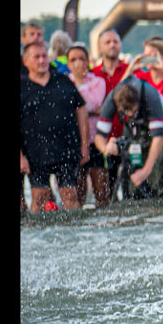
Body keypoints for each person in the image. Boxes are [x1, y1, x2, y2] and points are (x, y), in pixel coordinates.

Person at [20, 41, 88, 212]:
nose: (42, 60)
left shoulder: (63, 81)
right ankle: (39, 236)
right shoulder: (23, 88)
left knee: (69, 194)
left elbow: (81, 110)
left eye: (44, 56)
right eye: (37, 57)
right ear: (26, 61)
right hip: (35, 152)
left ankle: (75, 234)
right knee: (40, 195)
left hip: (66, 149)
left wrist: (85, 145)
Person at [94, 76, 163, 199]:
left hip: (162, 128)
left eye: (133, 111)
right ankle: (134, 199)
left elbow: (158, 139)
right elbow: (99, 136)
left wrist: (145, 171)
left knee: (159, 172)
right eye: (125, 112)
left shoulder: (150, 95)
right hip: (134, 128)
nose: (130, 114)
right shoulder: (111, 100)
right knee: (133, 165)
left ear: (139, 101)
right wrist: (106, 148)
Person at [128, 39, 163, 194]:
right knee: (150, 176)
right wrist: (131, 68)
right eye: (146, 55)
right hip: (146, 134)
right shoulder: (141, 76)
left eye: (154, 55)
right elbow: (120, 92)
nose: (150, 59)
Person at [66, 42, 113, 207]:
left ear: (88, 61)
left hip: (96, 140)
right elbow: (72, 109)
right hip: (74, 141)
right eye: (74, 59)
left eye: (82, 59)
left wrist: (80, 107)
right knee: (77, 192)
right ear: (68, 63)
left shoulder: (98, 82)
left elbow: (93, 105)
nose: (78, 63)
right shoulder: (64, 82)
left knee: (101, 190)